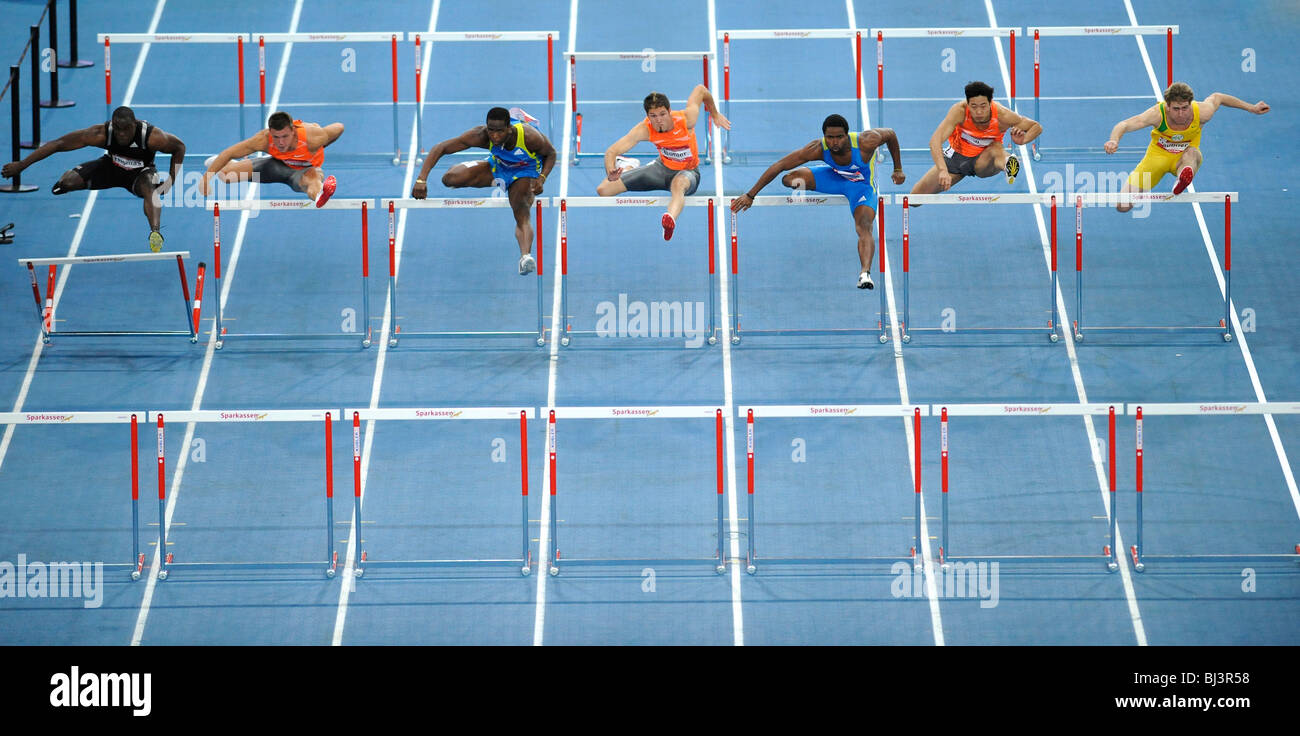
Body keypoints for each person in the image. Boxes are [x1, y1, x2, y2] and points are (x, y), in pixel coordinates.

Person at [731, 115, 903, 290]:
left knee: (864, 225)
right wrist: (751, 195)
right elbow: (780, 164)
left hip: (862, 186)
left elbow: (891, 135)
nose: (834, 142)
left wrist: (898, 169)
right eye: (830, 138)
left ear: (847, 135)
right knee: (789, 179)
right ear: (824, 136)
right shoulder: (818, 148)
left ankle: (865, 273)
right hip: (835, 178)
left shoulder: (866, 141)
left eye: (839, 137)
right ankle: (824, 174)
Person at [2, 106, 184, 252]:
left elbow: (179, 148)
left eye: (126, 130)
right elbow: (58, 144)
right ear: (112, 124)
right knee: (68, 182)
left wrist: (171, 181)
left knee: (151, 192)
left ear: (134, 125)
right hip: (110, 167)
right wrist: (22, 165)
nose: (121, 134)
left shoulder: (152, 137)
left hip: (141, 173)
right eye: (118, 129)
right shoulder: (100, 133)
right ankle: (66, 183)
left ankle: (155, 233)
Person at [411, 107, 557, 275]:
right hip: (499, 166)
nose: (495, 136)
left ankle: (525, 257)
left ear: (509, 129)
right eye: (491, 131)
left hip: (525, 171)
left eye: (500, 132)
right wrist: (421, 179)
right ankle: (498, 179)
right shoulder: (481, 135)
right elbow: (441, 147)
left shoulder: (529, 136)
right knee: (450, 178)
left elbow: (551, 153)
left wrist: (542, 178)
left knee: (520, 207)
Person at [1104, 82, 1268, 211]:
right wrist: (1114, 140)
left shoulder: (1203, 112)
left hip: (1184, 158)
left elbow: (1218, 97)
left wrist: (1251, 108)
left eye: (1185, 108)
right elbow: (1124, 124)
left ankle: (1182, 179)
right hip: (1157, 158)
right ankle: (1180, 178)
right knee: (1123, 206)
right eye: (1176, 109)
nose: (1181, 113)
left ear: (1191, 104)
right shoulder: (1157, 114)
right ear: (1167, 105)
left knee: (1193, 153)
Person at [598, 86, 731, 241]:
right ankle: (628, 166)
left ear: (669, 111)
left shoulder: (686, 119)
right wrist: (611, 171)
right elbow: (611, 152)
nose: (659, 119)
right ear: (647, 116)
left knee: (678, 184)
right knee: (604, 190)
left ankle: (670, 220)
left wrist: (714, 113)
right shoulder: (644, 129)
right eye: (653, 116)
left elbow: (701, 90)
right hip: (661, 169)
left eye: (662, 114)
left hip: (688, 173)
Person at [910, 81, 1040, 198]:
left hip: (983, 162)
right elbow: (935, 141)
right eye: (973, 106)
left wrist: (1023, 140)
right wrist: (943, 170)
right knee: (914, 198)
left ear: (990, 103)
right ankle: (1005, 163)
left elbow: (1036, 127)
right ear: (967, 104)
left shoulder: (1003, 116)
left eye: (983, 106)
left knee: (996, 148)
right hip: (956, 158)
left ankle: (1008, 164)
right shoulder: (959, 111)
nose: (978, 111)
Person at [201, 111, 341, 207]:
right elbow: (229, 153)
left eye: (285, 137)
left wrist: (321, 145)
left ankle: (320, 195)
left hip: (305, 170)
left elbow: (339, 127)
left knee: (312, 180)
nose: (280, 142)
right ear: (270, 133)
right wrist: (206, 179)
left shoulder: (313, 136)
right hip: (276, 166)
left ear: (293, 131)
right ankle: (217, 163)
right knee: (227, 176)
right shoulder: (263, 140)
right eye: (276, 137)